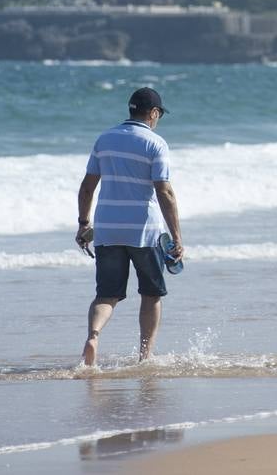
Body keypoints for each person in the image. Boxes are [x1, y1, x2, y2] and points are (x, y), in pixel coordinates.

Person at [75, 87, 184, 366]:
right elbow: (165, 192)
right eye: (159, 114)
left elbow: (87, 187)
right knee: (151, 294)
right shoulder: (155, 143)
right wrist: (176, 237)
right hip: (144, 232)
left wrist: (84, 224)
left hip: (107, 229)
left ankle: (93, 336)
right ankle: (144, 357)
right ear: (154, 113)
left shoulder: (105, 139)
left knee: (106, 294)